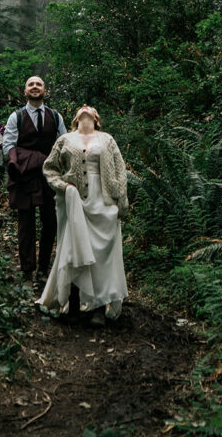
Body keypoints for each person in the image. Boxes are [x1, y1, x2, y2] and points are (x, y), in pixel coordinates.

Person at [38, 105, 128, 326]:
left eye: (90, 108)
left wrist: (120, 201)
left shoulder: (107, 139)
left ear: (97, 118)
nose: (85, 108)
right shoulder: (65, 140)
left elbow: (120, 170)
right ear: (76, 117)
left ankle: (98, 306)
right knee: (75, 249)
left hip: (104, 202)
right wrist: (63, 186)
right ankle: (75, 305)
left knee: (101, 256)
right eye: (81, 108)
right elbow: (49, 168)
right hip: (74, 202)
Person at [2, 76, 67, 282]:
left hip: (50, 176)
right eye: (31, 84)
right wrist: (16, 164)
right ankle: (27, 269)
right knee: (26, 223)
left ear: (45, 91)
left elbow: (64, 144)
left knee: (50, 222)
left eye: (39, 84)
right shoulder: (16, 117)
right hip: (25, 175)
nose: (35, 87)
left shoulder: (55, 117)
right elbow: (8, 145)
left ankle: (43, 269)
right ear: (25, 91)